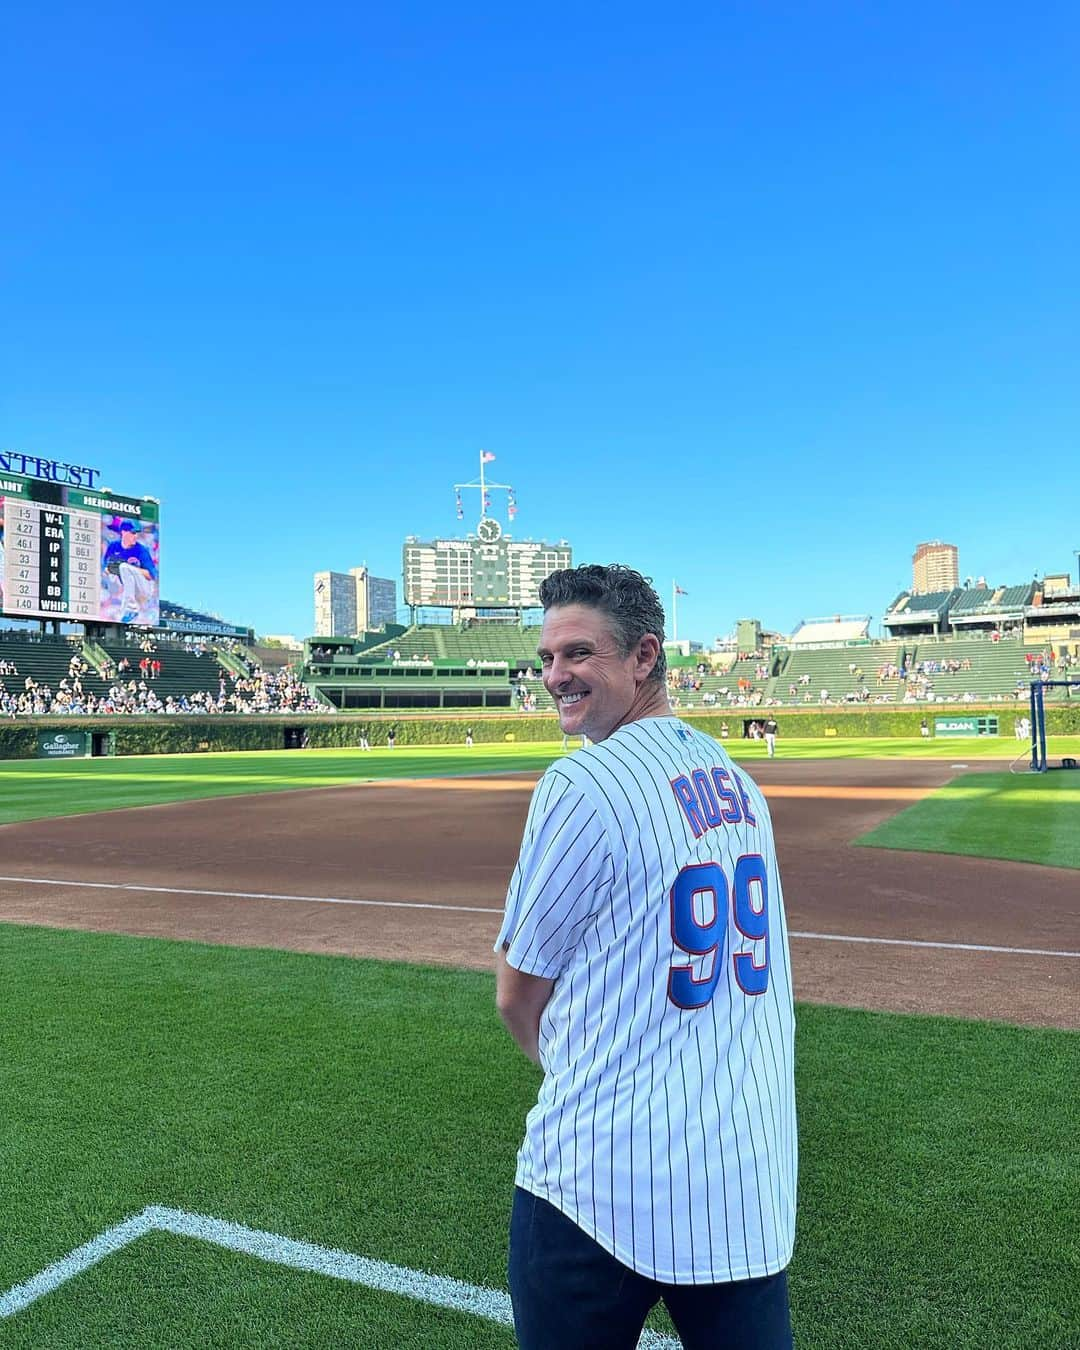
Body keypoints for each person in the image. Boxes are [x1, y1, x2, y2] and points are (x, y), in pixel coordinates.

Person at [495, 564, 796, 1350]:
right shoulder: (735, 779)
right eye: (548, 658)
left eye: (578, 654)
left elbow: (515, 995)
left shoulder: (583, 784)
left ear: (644, 657)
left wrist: (582, 1071)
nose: (556, 675)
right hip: (743, 1179)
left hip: (595, 1185)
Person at [102, 518, 157, 623]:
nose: (135, 536)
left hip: (145, 588)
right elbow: (105, 568)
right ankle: (122, 607)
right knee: (114, 571)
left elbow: (151, 575)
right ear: (123, 532)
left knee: (123, 567)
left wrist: (130, 568)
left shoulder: (141, 550)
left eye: (136, 533)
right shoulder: (114, 546)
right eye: (133, 533)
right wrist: (111, 571)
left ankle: (131, 609)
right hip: (125, 587)